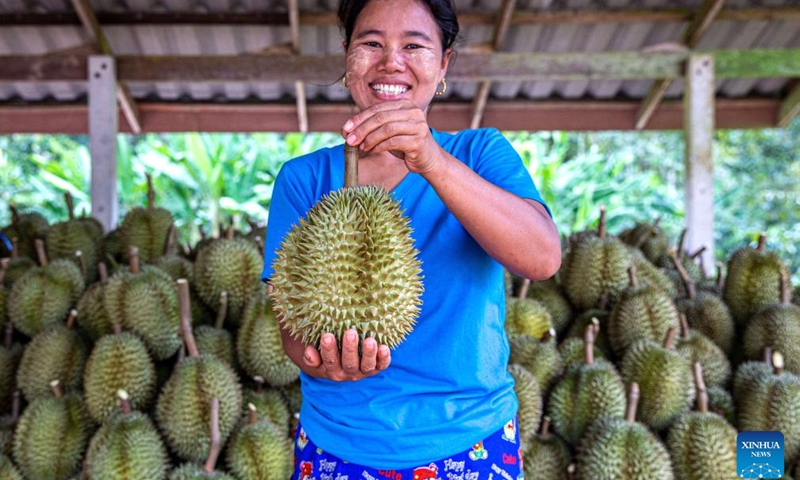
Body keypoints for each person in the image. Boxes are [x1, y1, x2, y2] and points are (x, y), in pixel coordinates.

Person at [261, 0, 561, 476]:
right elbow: (291, 330)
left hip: (469, 440)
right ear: (347, 56)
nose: (391, 62)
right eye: (371, 43)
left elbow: (542, 258)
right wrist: (324, 361)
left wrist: (432, 160)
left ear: (443, 64)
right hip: (338, 445)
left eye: (414, 46)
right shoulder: (303, 180)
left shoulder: (480, 153)